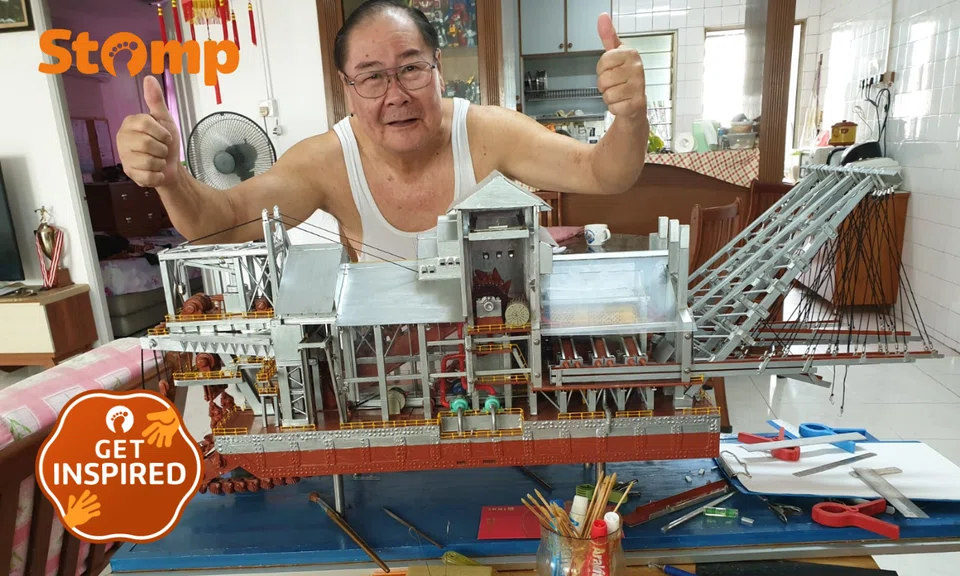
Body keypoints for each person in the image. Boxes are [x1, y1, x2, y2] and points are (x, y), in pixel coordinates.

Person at [116, 0, 648, 262]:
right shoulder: (326, 161)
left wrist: (630, 116)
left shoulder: (486, 133)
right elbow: (222, 222)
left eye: (411, 68)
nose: (395, 94)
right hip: (381, 381)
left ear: (438, 67)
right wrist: (171, 177)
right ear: (346, 87)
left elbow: (605, 173)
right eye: (371, 77)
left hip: (501, 356)